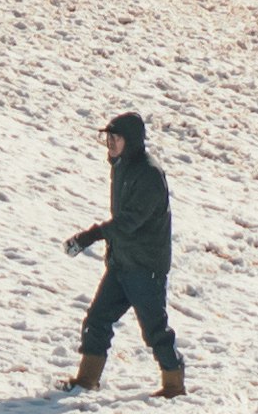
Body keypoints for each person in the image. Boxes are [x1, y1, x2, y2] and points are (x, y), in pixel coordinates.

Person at [67, 114, 183, 393]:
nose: (109, 143)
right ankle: (86, 380)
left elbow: (130, 221)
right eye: (107, 138)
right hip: (122, 262)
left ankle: (174, 385)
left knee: (155, 329)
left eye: (115, 138)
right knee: (97, 319)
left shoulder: (149, 174)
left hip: (145, 266)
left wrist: (91, 235)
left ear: (130, 141)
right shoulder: (122, 167)